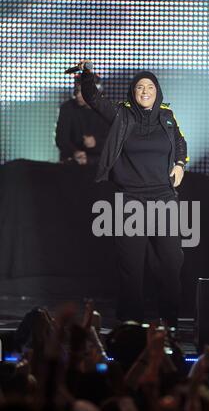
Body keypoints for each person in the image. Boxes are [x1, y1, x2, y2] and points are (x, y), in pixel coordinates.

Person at [79, 59, 189, 328]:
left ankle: (170, 320)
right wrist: (87, 76)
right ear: (133, 91)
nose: (144, 91)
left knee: (172, 261)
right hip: (130, 198)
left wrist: (180, 164)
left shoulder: (167, 117)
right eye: (139, 87)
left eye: (149, 86)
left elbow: (180, 143)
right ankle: (131, 322)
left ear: (157, 91)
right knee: (131, 265)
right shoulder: (121, 114)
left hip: (163, 196)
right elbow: (93, 99)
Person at [55, 74, 109, 165]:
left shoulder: (107, 110)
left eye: (82, 91)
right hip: (71, 163)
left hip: (98, 166)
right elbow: (61, 139)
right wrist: (75, 152)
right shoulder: (67, 108)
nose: (78, 95)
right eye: (76, 91)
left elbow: (114, 144)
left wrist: (96, 143)